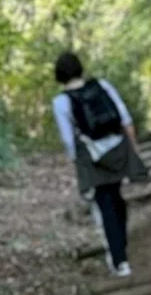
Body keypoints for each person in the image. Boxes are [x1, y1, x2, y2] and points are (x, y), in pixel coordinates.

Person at [52, 50, 145, 278]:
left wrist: (78, 162)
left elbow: (68, 139)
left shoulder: (61, 102)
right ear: (80, 68)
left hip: (93, 157)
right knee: (117, 197)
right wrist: (134, 147)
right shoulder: (102, 85)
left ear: (59, 76)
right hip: (118, 149)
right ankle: (120, 248)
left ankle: (120, 261)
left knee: (105, 204)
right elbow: (124, 118)